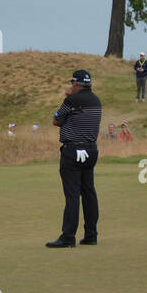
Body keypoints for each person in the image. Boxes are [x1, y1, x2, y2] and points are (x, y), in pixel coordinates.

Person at [47, 69, 101, 248]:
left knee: (72, 196)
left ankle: (68, 237)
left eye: (72, 84)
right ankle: (91, 235)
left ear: (76, 84)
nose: (70, 87)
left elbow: (56, 120)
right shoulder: (96, 100)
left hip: (72, 151)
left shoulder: (71, 99)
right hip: (91, 151)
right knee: (89, 193)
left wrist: (67, 97)